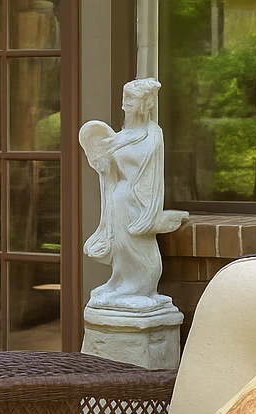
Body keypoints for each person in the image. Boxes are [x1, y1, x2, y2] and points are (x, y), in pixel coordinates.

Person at [80, 78, 188, 314]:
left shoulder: (153, 134)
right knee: (121, 247)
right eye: (125, 97)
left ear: (146, 103)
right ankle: (119, 283)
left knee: (138, 247)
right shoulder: (118, 137)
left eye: (132, 98)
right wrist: (103, 162)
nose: (126, 102)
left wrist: (149, 209)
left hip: (139, 202)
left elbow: (152, 174)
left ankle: (139, 287)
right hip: (119, 200)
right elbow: (110, 170)